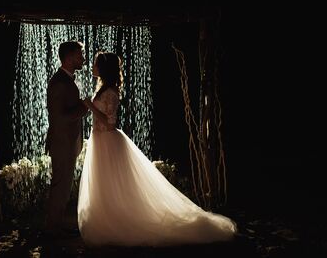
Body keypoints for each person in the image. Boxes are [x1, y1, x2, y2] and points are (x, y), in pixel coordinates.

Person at [78, 52, 237, 247]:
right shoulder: (102, 89)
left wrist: (90, 107)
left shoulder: (110, 92)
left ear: (103, 68)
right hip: (100, 141)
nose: (92, 67)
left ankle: (117, 222)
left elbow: (111, 123)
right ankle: (106, 219)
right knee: (104, 185)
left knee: (113, 185)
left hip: (108, 142)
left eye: (95, 64)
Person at [44, 41, 89, 236]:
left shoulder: (66, 80)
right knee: (61, 185)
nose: (83, 59)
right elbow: (59, 116)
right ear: (69, 57)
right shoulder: (60, 82)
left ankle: (57, 224)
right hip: (62, 142)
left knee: (63, 184)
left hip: (66, 142)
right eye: (80, 55)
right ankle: (53, 228)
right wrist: (84, 108)